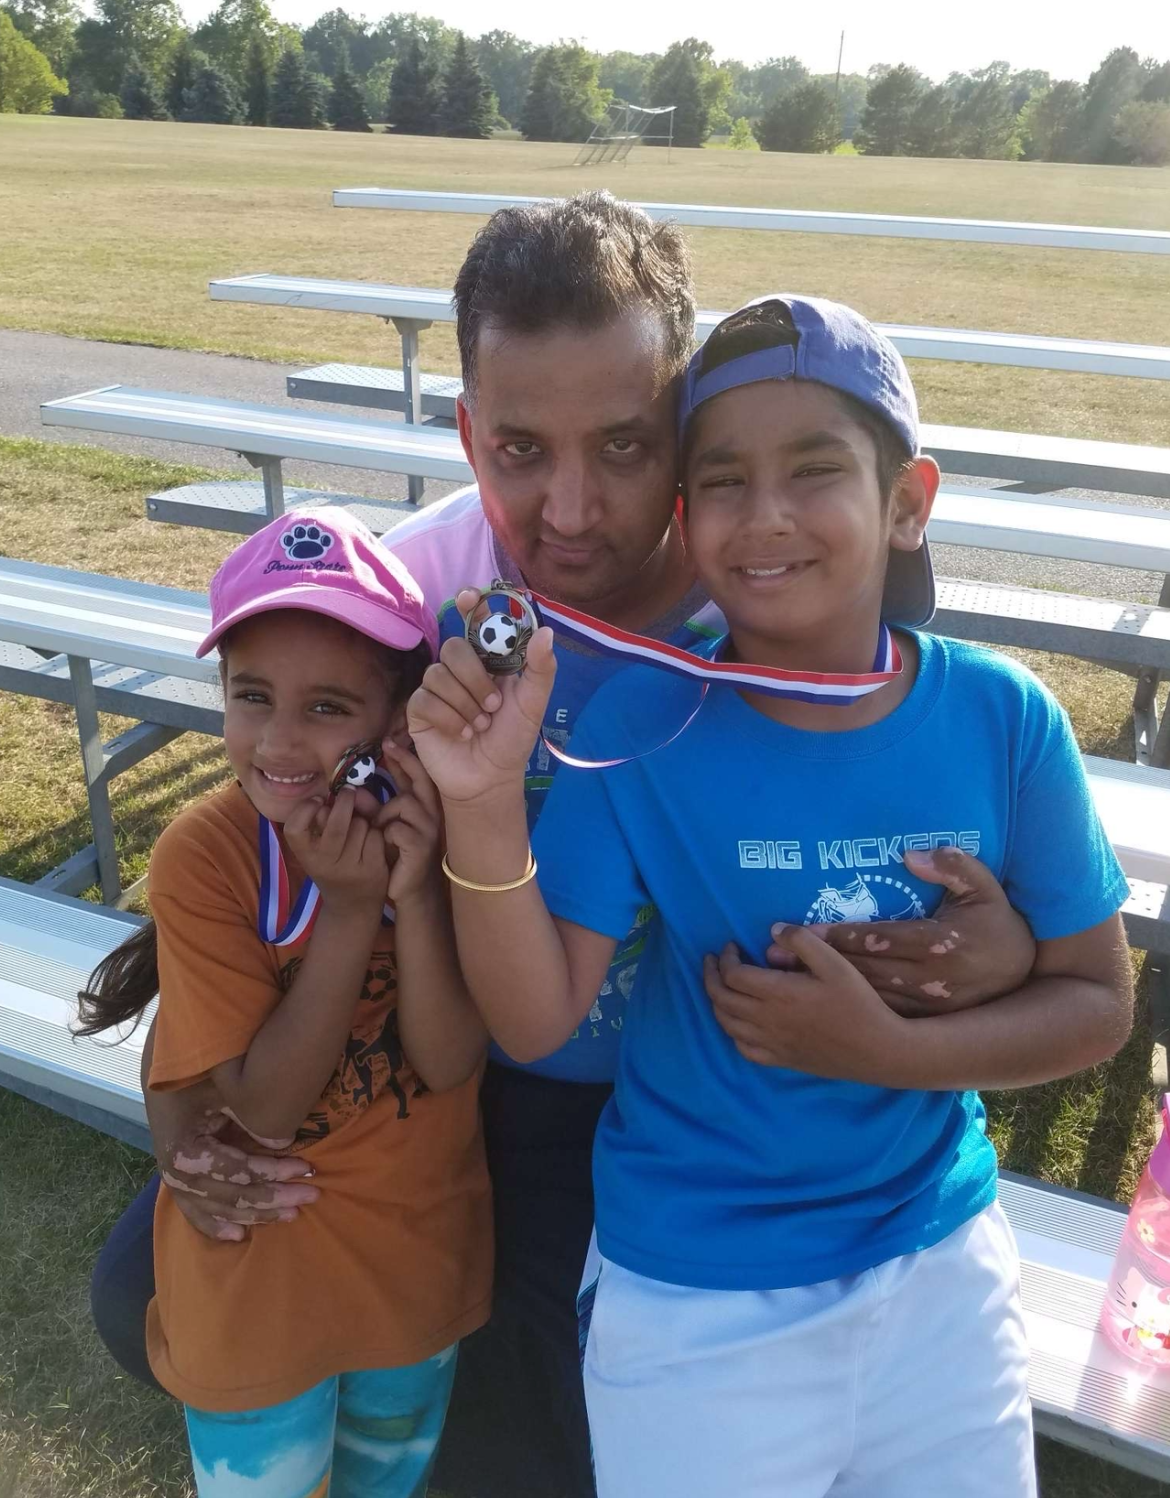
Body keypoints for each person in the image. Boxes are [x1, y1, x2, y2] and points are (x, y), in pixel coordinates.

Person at [90, 195, 1038, 1498]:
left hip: (692, 1099)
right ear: (467, 432)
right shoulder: (405, 601)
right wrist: (181, 1100)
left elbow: (935, 787)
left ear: (687, 432)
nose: (573, 506)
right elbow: (258, 841)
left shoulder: (782, 596)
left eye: (626, 445)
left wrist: (997, 942)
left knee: (557, 1429)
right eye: (522, 448)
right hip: (474, 1065)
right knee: (140, 1283)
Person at [409, 295, 1135, 1497]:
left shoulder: (1006, 720)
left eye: (816, 472)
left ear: (908, 502)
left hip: (939, 1254)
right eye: (726, 484)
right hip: (697, 1286)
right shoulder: (645, 730)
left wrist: (881, 1048)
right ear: (687, 521)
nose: (769, 518)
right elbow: (536, 1022)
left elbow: (1096, 1007)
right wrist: (483, 805)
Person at [78, 509, 491, 1498]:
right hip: (254, 1296)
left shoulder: (437, 827)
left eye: (326, 707)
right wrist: (351, 913)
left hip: (412, 1279)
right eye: (250, 696)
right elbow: (262, 1111)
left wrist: (420, 889)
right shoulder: (207, 853)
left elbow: (446, 1062)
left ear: (392, 718)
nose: (278, 740)